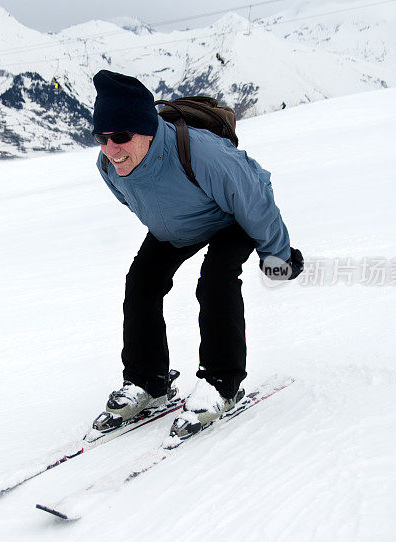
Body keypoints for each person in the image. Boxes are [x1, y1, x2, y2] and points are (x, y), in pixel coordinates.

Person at [90, 70, 303, 439]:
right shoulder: (109, 166)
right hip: (180, 226)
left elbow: (254, 199)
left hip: (230, 218)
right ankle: (147, 380)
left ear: (148, 130)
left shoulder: (203, 153)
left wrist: (278, 256)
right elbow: (141, 203)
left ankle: (223, 381)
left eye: (121, 136)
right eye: (102, 138)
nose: (111, 148)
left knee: (216, 280)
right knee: (141, 282)